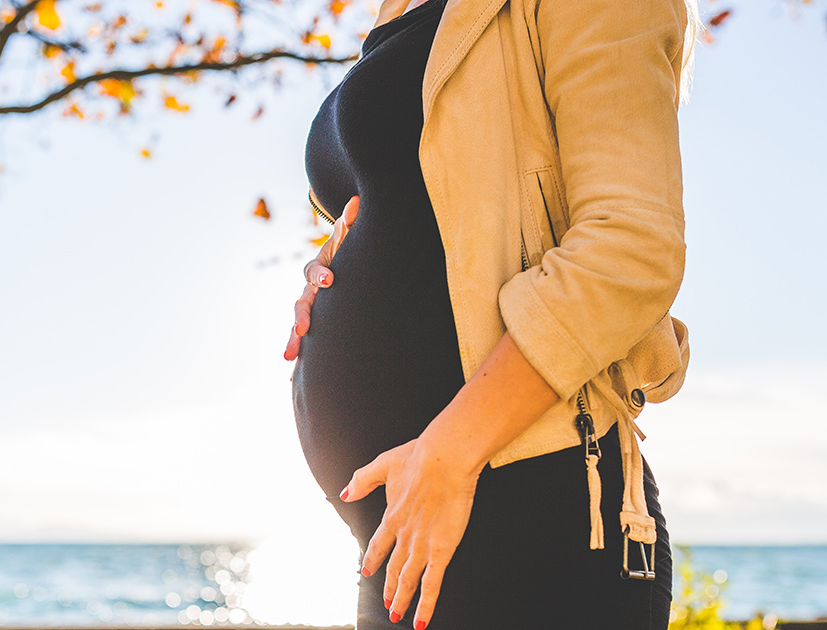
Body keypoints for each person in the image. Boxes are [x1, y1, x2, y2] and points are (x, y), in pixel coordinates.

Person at [285, 0, 700, 627]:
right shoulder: (401, 11)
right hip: (404, 536)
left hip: (528, 518)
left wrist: (450, 452)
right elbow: (430, 208)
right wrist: (332, 267)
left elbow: (631, 246)